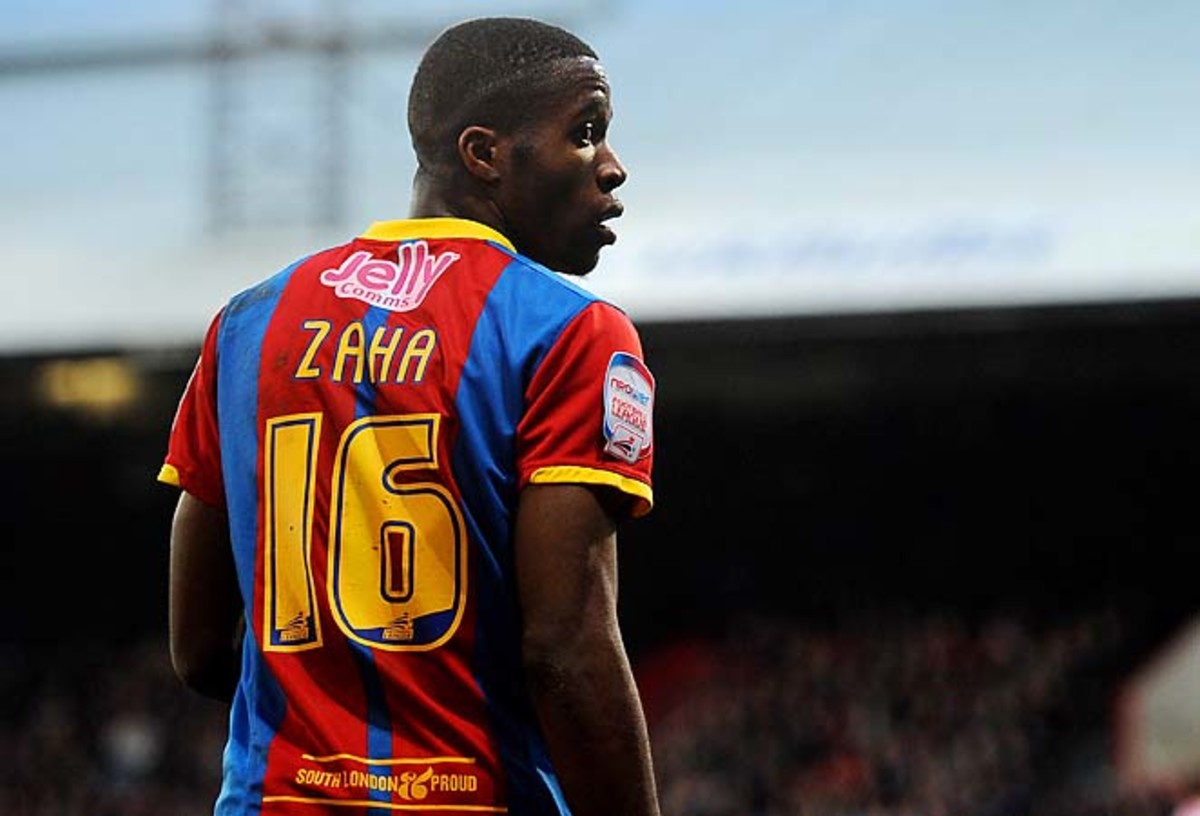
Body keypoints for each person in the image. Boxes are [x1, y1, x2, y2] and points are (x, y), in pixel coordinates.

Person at [158, 16, 661, 816]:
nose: (612, 165)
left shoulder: (251, 323)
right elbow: (565, 650)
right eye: (585, 133)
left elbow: (197, 649)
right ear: (484, 154)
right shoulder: (569, 332)